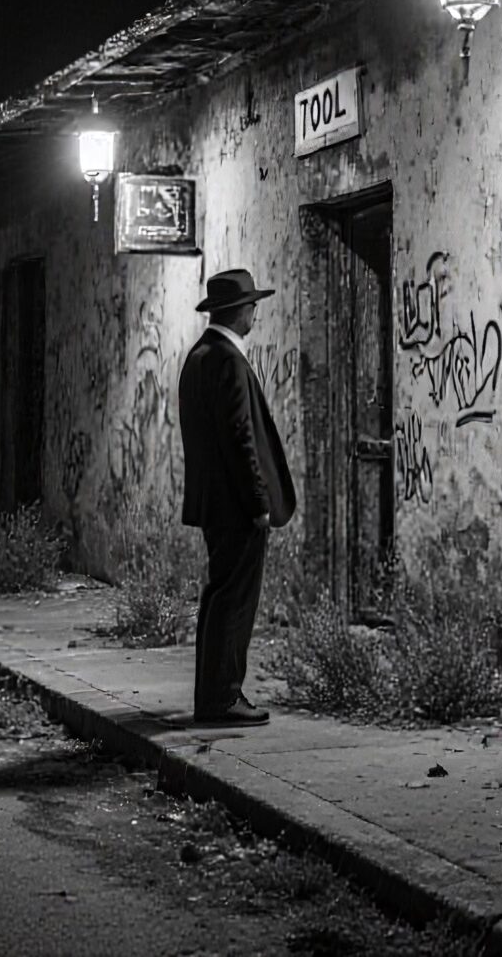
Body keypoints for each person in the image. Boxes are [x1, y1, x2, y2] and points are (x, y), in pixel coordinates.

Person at [178, 267, 297, 725]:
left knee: (219, 596)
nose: (255, 315)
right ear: (239, 311)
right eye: (252, 307)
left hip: (215, 503)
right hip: (235, 506)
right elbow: (239, 437)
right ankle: (223, 698)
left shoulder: (200, 356)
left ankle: (214, 696)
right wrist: (258, 502)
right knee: (235, 600)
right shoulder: (227, 359)